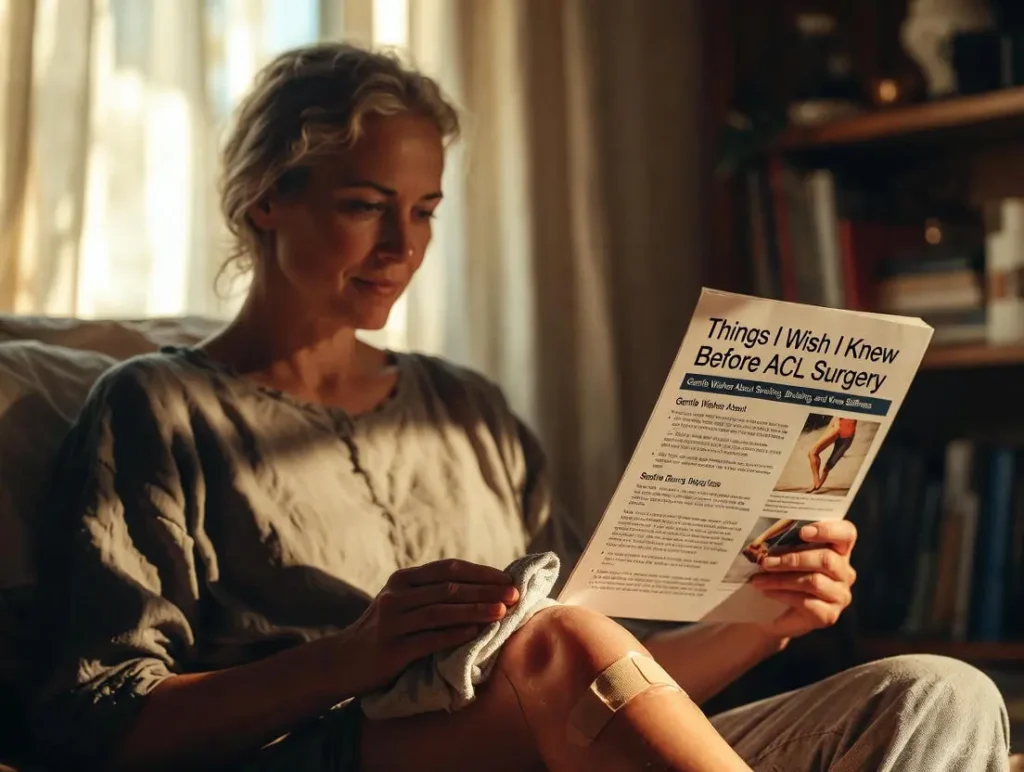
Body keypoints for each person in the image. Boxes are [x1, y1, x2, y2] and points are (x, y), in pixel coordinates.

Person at [30, 43, 1008, 772]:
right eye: (366, 204)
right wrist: (349, 659)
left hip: (544, 741)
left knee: (937, 692)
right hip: (339, 751)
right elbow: (100, 721)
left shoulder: (466, 409)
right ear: (263, 201)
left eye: (424, 211)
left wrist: (761, 623)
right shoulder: (155, 409)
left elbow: (598, 686)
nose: (401, 247)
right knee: (558, 641)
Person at [807, 416, 857, 493]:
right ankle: (816, 481)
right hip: (839, 427)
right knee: (812, 453)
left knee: (828, 466)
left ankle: (817, 484)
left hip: (847, 435)